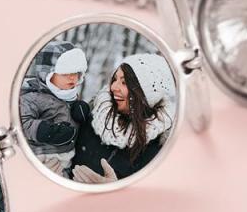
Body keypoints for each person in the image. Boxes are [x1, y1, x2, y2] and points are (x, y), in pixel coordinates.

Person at [71, 54, 174, 183]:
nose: (113, 87)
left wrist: (114, 188)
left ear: (145, 95)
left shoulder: (161, 151)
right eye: (115, 79)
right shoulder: (93, 113)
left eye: (124, 83)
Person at [19, 41, 90, 177]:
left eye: (76, 72)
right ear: (48, 74)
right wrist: (46, 132)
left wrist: (80, 111)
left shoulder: (69, 96)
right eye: (65, 73)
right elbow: (22, 122)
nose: (72, 77)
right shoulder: (33, 97)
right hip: (41, 158)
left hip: (67, 161)